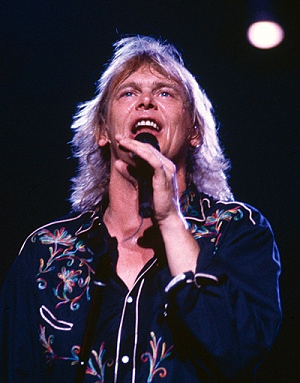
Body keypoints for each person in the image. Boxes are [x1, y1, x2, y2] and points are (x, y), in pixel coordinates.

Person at [0, 36, 281, 382]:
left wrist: (169, 219)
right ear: (103, 130)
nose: (146, 101)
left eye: (165, 93)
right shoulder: (46, 252)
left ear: (194, 130)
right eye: (128, 93)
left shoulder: (237, 231)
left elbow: (237, 351)